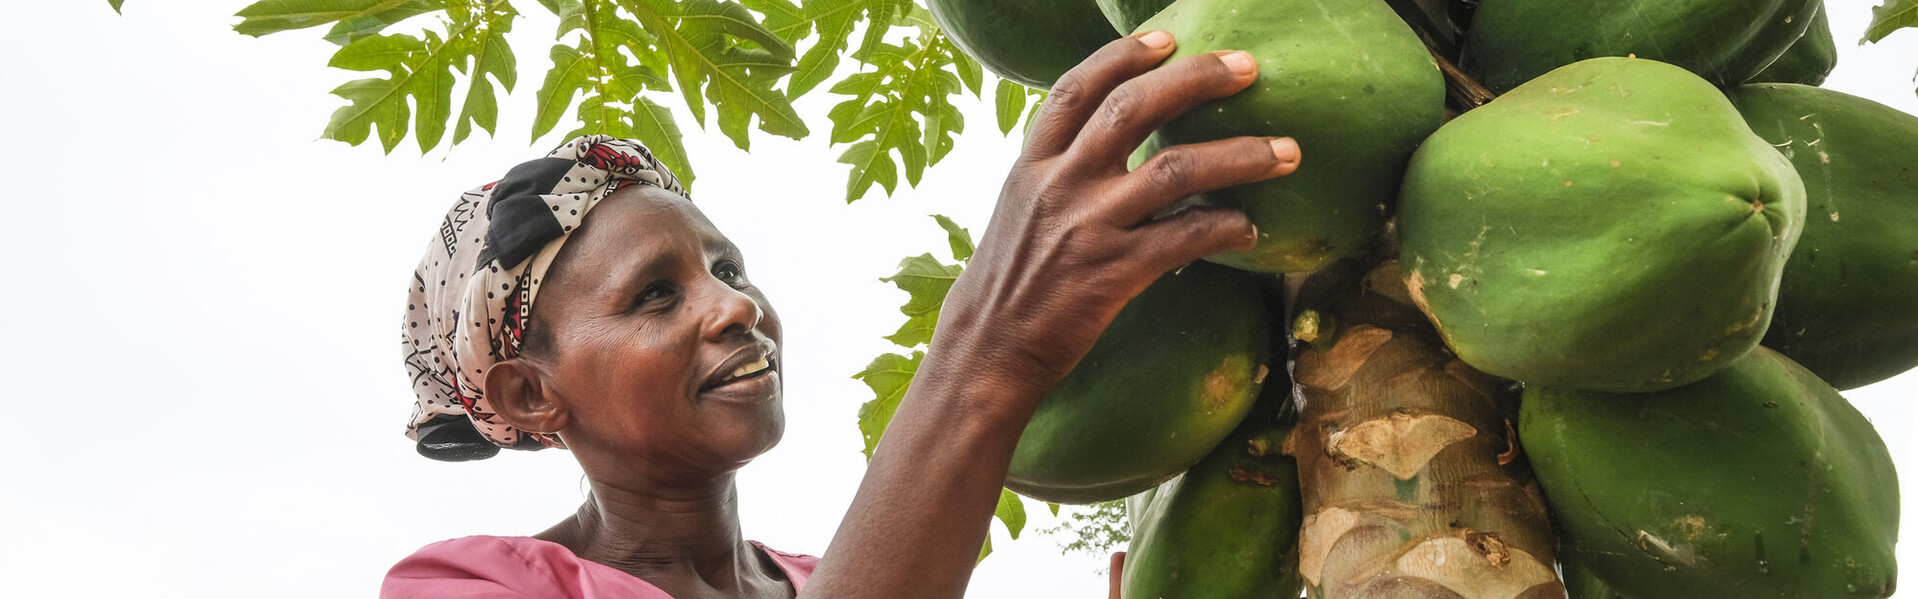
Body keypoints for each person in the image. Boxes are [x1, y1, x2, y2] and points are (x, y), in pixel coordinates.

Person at [385, 29, 1302, 599]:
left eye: (727, 266)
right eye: (655, 294)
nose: (735, 305)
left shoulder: (835, 577)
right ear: (531, 391)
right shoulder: (466, 588)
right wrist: (987, 350)